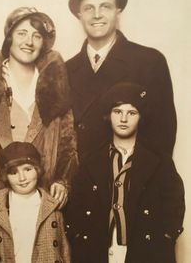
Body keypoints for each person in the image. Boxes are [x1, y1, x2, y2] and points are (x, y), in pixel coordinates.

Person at [0, 6, 78, 262]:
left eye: (36, 35)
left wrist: (63, 181)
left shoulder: (53, 84)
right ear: (8, 37)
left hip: (39, 200)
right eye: (22, 33)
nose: (29, 41)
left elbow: (69, 144)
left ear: (44, 42)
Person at [65, 82, 185, 263]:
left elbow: (174, 203)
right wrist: (78, 235)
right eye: (117, 111)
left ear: (141, 116)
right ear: (108, 115)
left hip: (144, 248)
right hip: (98, 248)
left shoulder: (159, 161)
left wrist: (165, 237)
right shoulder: (91, 160)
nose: (123, 119)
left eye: (131, 113)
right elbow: (77, 203)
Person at [66, 0, 177, 162]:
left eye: (106, 6)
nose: (97, 15)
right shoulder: (66, 69)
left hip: (131, 181)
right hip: (81, 184)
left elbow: (162, 134)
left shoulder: (149, 61)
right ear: (79, 14)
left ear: (118, 10)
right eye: (89, 8)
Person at [0, 141, 70, 263]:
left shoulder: (52, 209)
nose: (22, 178)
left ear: (37, 170)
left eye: (28, 169)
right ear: (5, 176)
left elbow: (64, 253)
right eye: (13, 172)